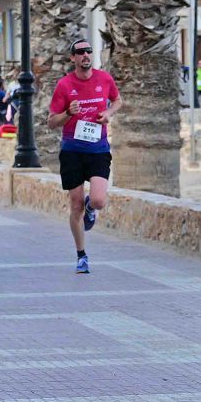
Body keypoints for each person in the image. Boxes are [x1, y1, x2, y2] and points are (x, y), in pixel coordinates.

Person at [47, 39, 123, 274]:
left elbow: (118, 100)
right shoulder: (64, 85)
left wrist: (108, 113)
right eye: (80, 52)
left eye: (88, 51)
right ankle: (81, 255)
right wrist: (68, 113)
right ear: (73, 58)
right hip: (72, 151)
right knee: (75, 204)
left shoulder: (104, 79)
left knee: (98, 200)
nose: (85, 55)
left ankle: (93, 208)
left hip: (98, 149)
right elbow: (51, 122)